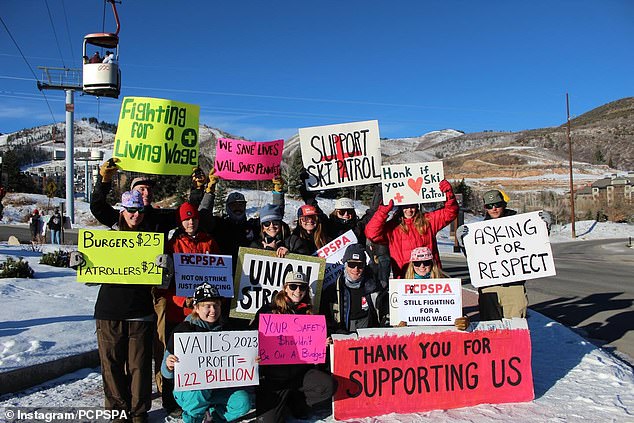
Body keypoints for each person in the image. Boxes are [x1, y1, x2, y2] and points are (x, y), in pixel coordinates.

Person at [90, 190, 156, 423]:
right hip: (110, 310)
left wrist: (163, 267)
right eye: (130, 211)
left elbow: (162, 276)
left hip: (141, 311)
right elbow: (91, 274)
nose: (135, 215)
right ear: (122, 211)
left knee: (140, 366)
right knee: (112, 365)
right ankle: (118, 412)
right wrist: (80, 261)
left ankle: (138, 412)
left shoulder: (151, 238)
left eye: (139, 210)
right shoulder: (108, 237)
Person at [156, 202, 221, 418]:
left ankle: (206, 399)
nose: (190, 222)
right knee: (173, 358)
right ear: (180, 222)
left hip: (205, 313)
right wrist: (182, 299)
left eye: (193, 218)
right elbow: (164, 281)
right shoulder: (173, 244)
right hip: (180, 313)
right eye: (186, 219)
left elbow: (219, 274)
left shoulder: (209, 241)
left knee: (205, 356)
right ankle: (172, 401)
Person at [252, 271, 335, 423]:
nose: (298, 291)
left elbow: (315, 347)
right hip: (274, 378)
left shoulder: (310, 313)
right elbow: (252, 339)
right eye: (293, 286)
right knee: (268, 421)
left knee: (327, 385)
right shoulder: (268, 311)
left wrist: (321, 345)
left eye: (302, 287)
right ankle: (283, 402)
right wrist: (255, 354)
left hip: (299, 376)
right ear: (285, 288)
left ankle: (296, 401)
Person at [161, 283, 251, 423]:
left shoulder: (227, 329)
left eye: (216, 305)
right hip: (190, 391)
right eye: (207, 306)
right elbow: (165, 373)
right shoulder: (184, 330)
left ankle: (214, 418)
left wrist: (251, 360)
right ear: (196, 308)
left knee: (242, 401)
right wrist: (169, 365)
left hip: (217, 387)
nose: (213, 310)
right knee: (199, 392)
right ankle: (192, 419)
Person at [456, 189, 528, 320]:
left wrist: (544, 227)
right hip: (489, 288)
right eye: (489, 206)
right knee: (492, 331)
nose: (494, 208)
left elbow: (532, 246)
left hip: (514, 286)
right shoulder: (479, 231)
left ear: (504, 204)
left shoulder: (519, 226)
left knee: (516, 331)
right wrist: (463, 244)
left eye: (497, 204)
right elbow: (474, 259)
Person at [365, 179, 458, 278]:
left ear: (417, 206)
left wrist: (449, 194)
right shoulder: (392, 228)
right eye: (405, 206)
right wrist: (382, 211)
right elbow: (371, 233)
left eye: (412, 206)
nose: (409, 210)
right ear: (400, 207)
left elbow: (450, 212)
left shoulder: (428, 221)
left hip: (431, 277)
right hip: (405, 279)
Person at [399, 246, 469, 330]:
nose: (422, 266)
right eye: (417, 263)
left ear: (432, 263)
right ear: (412, 264)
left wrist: (463, 320)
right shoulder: (402, 287)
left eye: (426, 262)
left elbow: (456, 310)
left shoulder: (446, 282)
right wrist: (399, 325)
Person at [321, 243, 385, 334]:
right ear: (345, 264)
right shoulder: (333, 290)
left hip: (368, 334)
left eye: (360, 265)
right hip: (343, 335)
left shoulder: (374, 287)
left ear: (364, 266)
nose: (355, 269)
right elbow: (325, 318)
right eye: (352, 264)